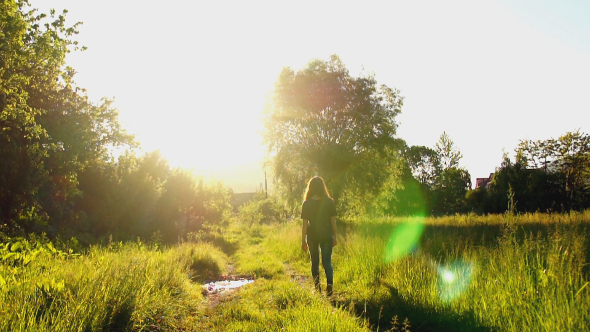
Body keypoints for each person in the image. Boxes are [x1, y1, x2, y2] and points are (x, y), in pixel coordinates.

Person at [301, 176, 337, 296]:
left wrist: (303, 241)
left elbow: (305, 225)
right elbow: (333, 222)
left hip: (312, 236)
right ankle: (330, 285)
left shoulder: (306, 204)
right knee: (327, 261)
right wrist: (335, 236)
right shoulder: (329, 202)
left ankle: (317, 288)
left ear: (310, 188)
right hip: (327, 234)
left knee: (314, 261)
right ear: (322, 187)